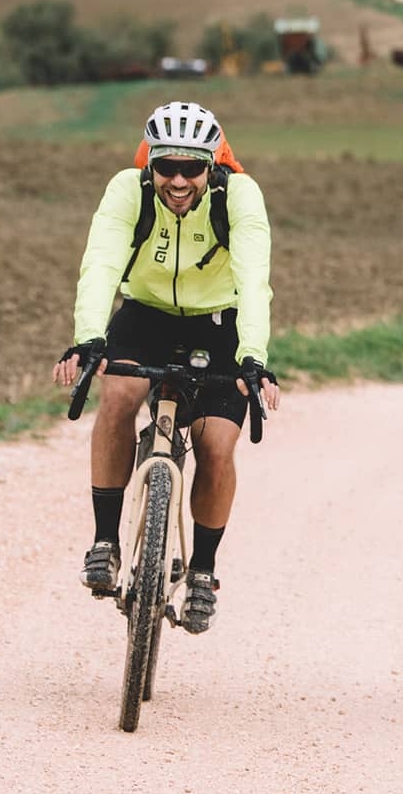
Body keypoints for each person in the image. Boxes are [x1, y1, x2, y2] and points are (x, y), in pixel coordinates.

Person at [52, 101, 281, 635]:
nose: (178, 180)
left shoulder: (239, 196)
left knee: (216, 445)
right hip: (146, 315)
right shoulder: (127, 190)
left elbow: (254, 280)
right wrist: (89, 337)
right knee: (117, 400)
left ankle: (203, 571)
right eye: (166, 167)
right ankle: (105, 541)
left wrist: (253, 356)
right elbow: (102, 261)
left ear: (213, 166)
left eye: (191, 168)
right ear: (150, 164)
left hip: (218, 322)